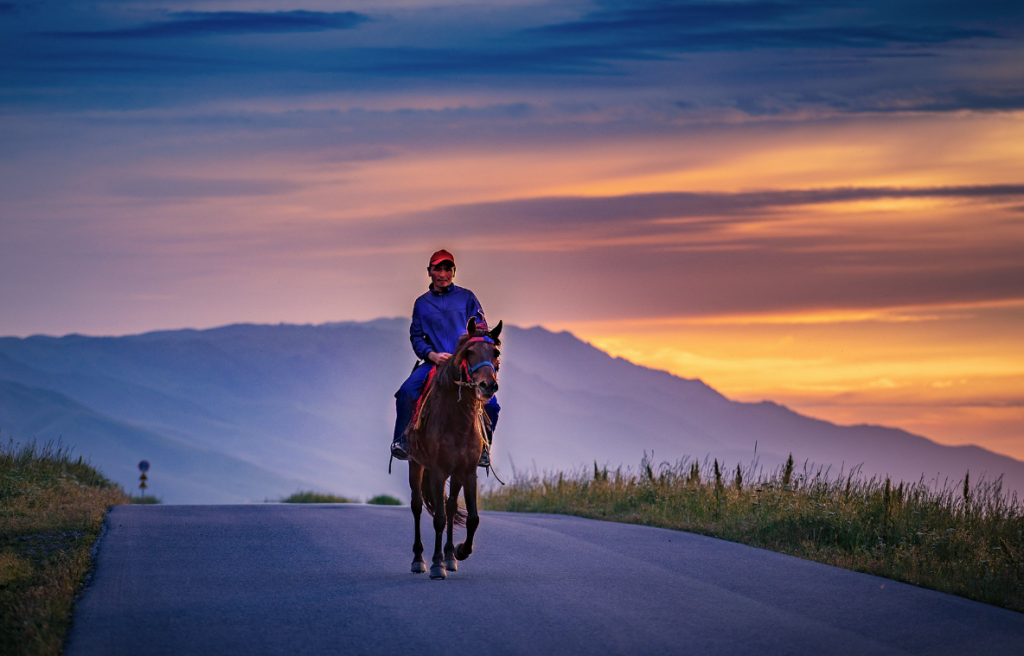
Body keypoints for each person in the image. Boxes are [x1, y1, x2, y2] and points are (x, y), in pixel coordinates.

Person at [390, 249, 500, 467]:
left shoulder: (467, 297)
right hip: (434, 364)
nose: (443, 273)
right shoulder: (421, 303)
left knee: (492, 406)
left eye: (447, 269)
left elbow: (481, 327)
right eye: (437, 269)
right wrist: (432, 354)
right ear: (429, 272)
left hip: (464, 364)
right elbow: (416, 336)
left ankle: (484, 449)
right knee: (406, 392)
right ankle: (402, 441)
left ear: (454, 272)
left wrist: (468, 346)